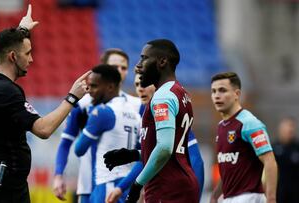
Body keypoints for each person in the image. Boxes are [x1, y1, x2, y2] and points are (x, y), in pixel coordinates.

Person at [0, 5, 90, 203]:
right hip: (4, 187)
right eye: (27, 53)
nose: (32, 59)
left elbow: (0, 56)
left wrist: (22, 30)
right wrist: (73, 96)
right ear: (12, 56)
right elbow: (43, 129)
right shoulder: (6, 92)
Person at [103, 39, 200, 203]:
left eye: (144, 58)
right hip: (180, 185)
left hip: (168, 188)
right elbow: (172, 149)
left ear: (162, 62)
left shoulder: (162, 97)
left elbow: (164, 148)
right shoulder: (180, 93)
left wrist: (136, 184)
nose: (138, 66)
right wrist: (134, 154)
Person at [52, 48, 141, 202]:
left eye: (124, 67)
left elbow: (144, 151)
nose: (119, 71)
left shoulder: (138, 105)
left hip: (121, 185)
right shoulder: (83, 105)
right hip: (88, 186)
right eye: (114, 67)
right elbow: (66, 142)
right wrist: (58, 175)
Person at [74, 64, 142, 203]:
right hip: (125, 188)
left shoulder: (102, 112)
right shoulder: (135, 114)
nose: (90, 91)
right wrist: (123, 187)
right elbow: (143, 159)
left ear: (110, 87)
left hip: (106, 187)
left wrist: (85, 127)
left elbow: (79, 150)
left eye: (94, 86)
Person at [210, 72, 277, 203]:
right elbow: (228, 169)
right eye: (213, 91)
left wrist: (271, 198)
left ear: (237, 94)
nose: (217, 95)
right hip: (228, 198)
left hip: (249, 197)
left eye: (222, 90)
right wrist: (214, 195)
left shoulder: (249, 123)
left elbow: (270, 161)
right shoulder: (221, 126)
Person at [272, 117, 299, 203]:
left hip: (295, 191)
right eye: (286, 128)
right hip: (279, 190)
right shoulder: (273, 148)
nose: (289, 130)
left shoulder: (297, 148)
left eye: (291, 127)